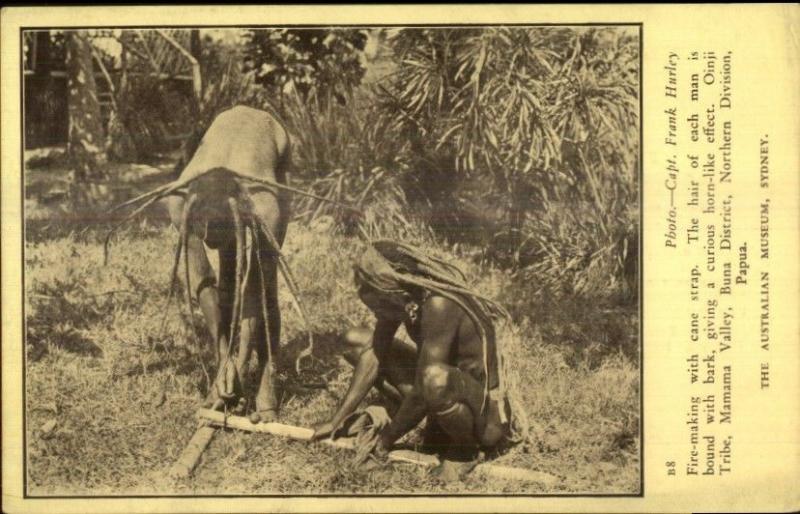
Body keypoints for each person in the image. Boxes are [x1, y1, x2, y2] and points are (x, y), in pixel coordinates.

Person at [312, 240, 518, 476]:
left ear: (395, 293)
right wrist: (338, 419)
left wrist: (383, 443)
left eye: (379, 307)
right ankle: (423, 419)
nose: (377, 314)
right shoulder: (406, 296)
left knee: (433, 379)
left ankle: (465, 452)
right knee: (355, 340)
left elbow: (424, 384)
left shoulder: (440, 303)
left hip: (483, 416)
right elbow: (376, 352)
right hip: (440, 389)